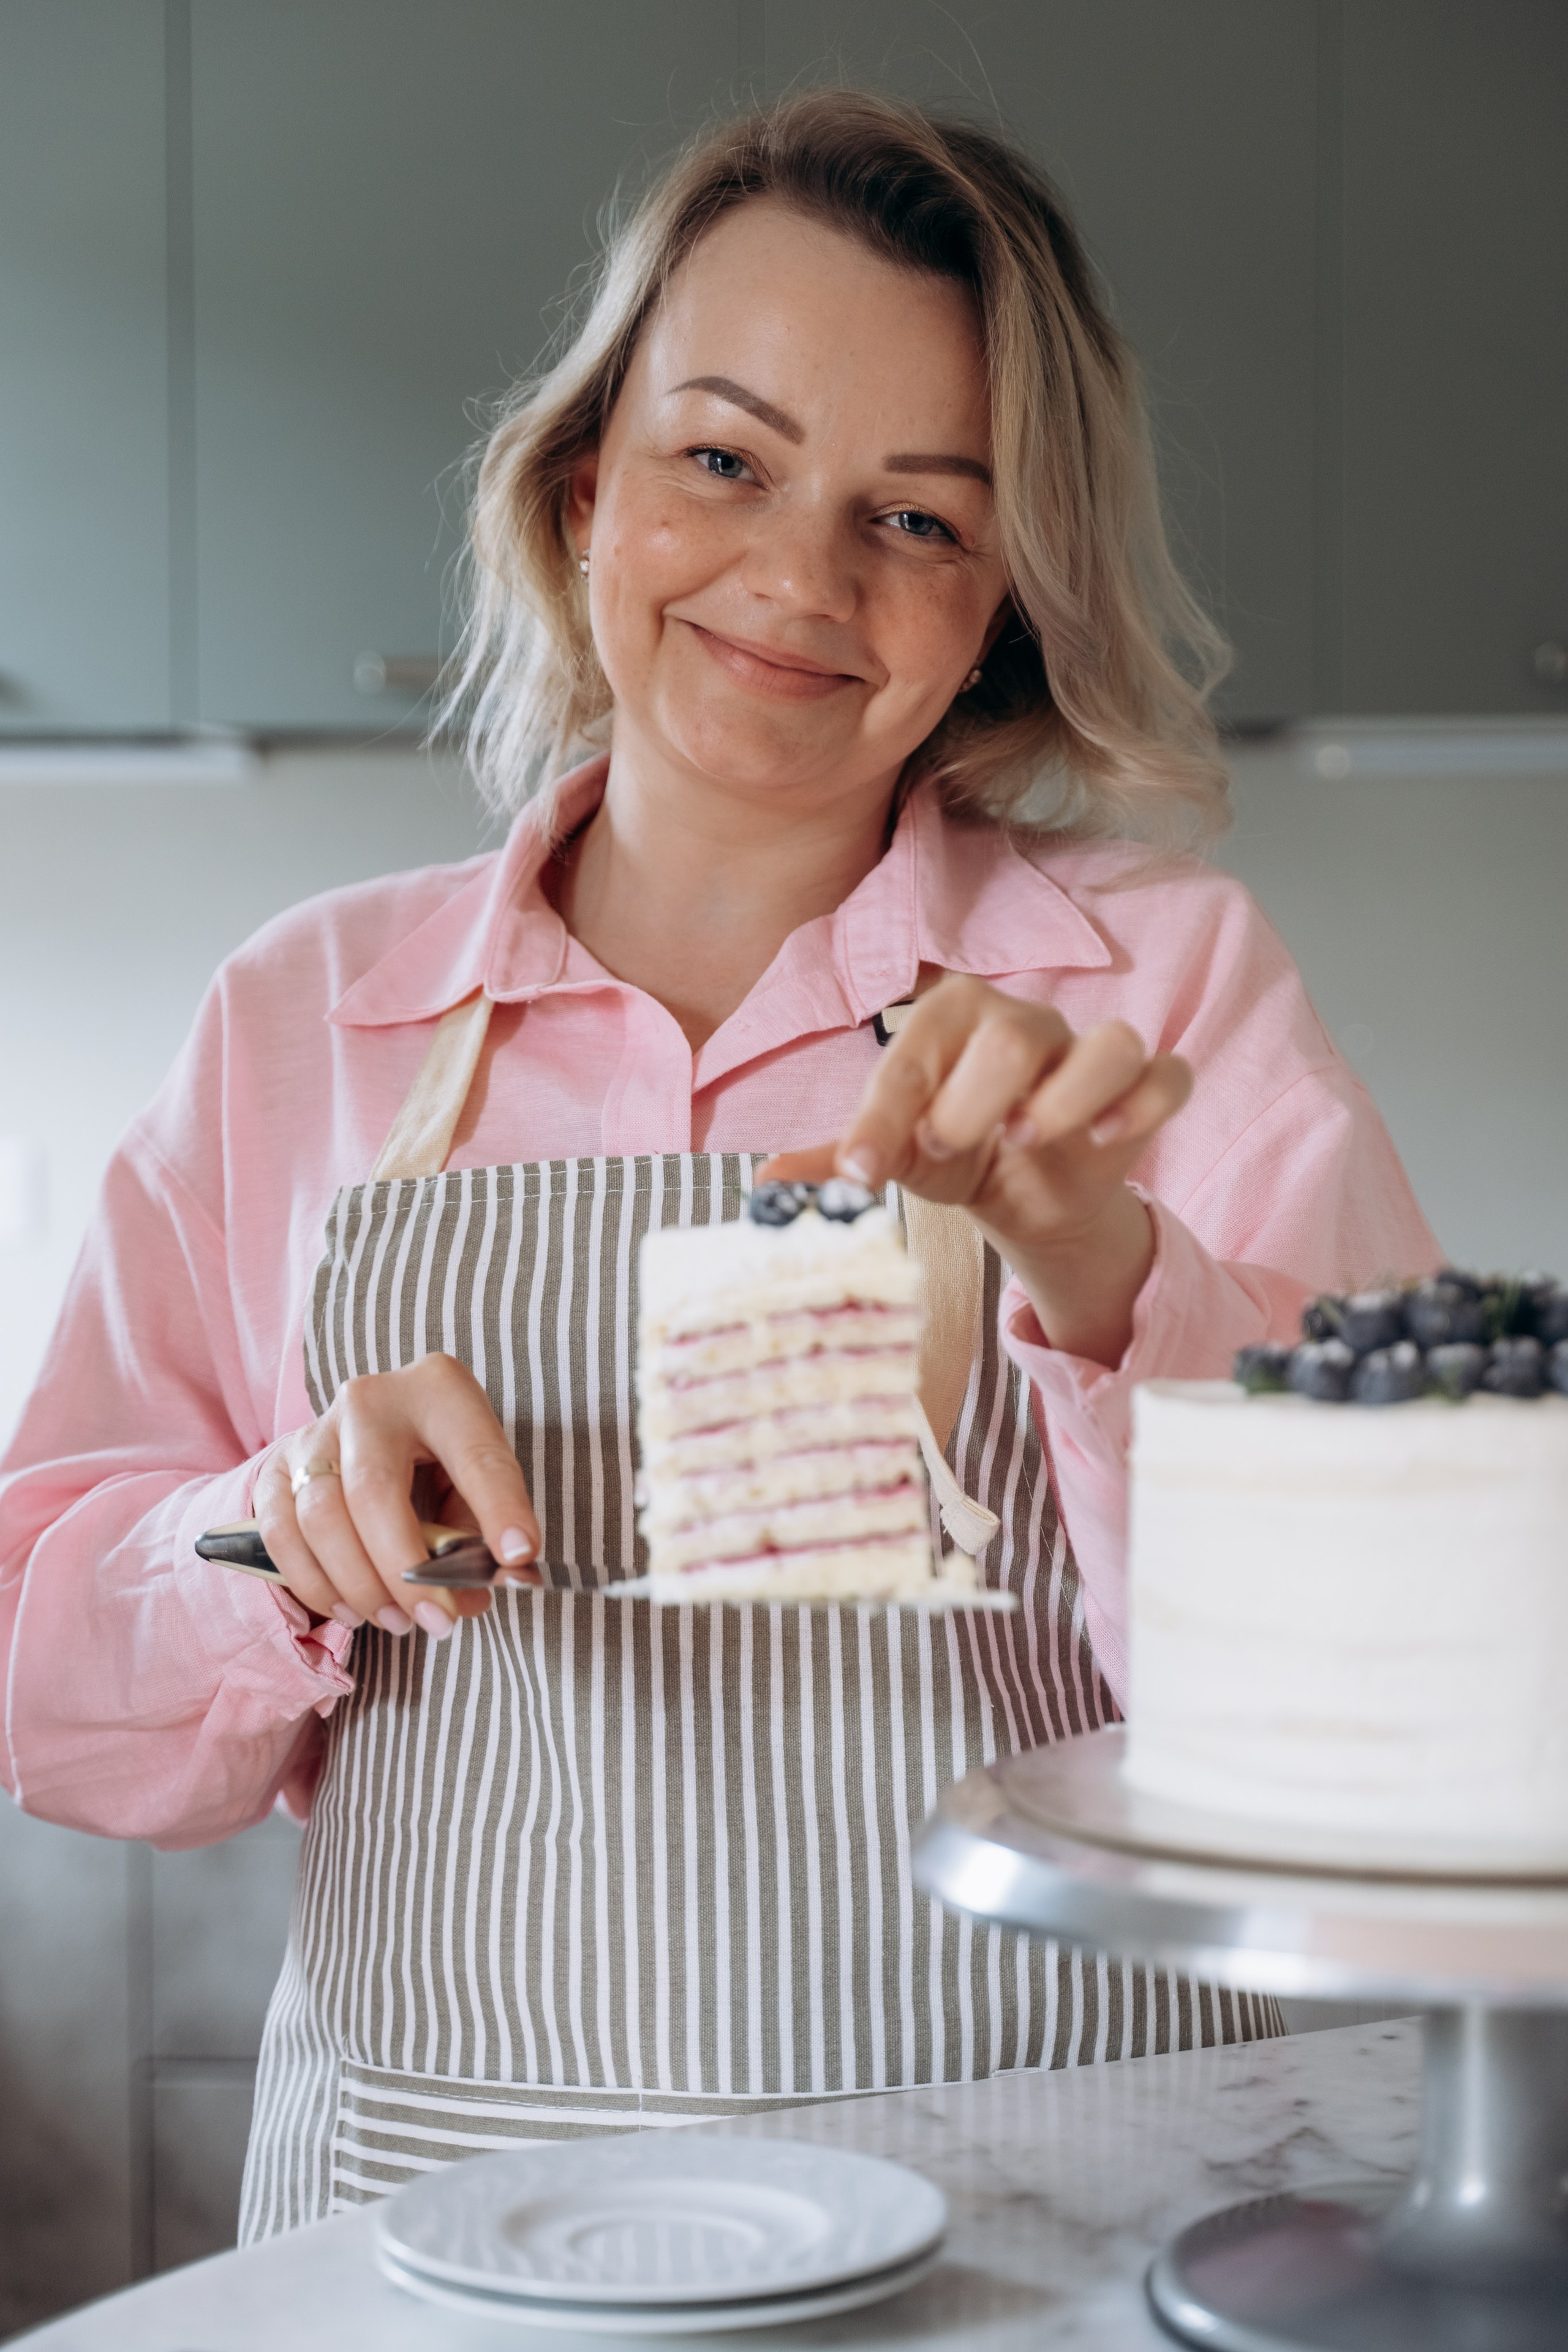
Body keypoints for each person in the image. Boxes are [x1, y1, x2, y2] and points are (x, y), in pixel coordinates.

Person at [0, 92, 1437, 2235]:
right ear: (589, 492)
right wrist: (268, 1531)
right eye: (725, 461)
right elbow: (62, 1714)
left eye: (920, 519)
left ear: (999, 603)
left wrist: (1112, 1283)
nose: (801, 576)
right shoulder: (306, 1017)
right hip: (452, 2223)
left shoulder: (1166, 991)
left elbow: (1391, 1706)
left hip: (1064, 2208)